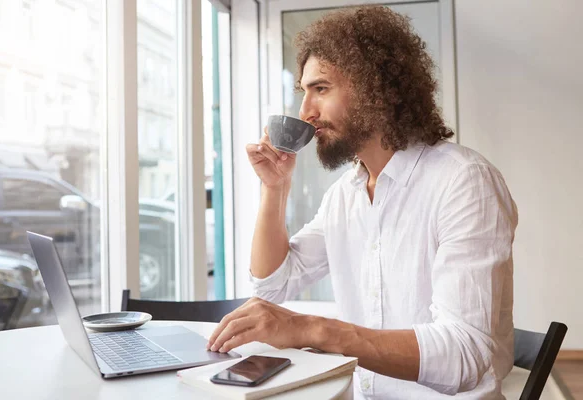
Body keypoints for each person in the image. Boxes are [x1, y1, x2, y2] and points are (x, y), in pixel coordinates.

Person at [207, 5, 518, 399]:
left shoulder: (463, 181)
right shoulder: (345, 194)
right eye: (303, 92)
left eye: (321, 89)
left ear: (378, 89)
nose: (305, 112)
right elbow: (273, 284)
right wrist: (275, 189)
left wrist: (312, 328)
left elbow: (463, 354)